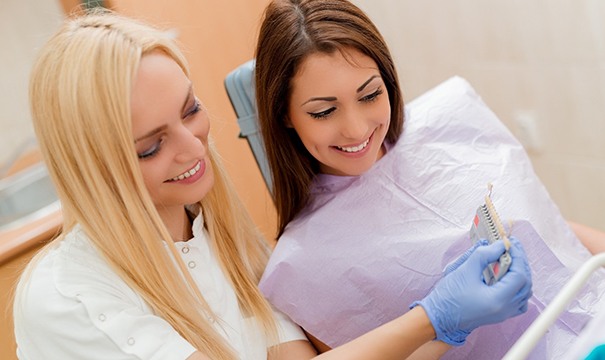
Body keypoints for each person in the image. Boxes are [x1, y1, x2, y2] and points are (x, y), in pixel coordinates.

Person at [12, 9, 531, 360]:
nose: (194, 149)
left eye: (191, 111)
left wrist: (455, 320)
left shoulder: (223, 237)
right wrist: (434, 317)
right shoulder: (66, 297)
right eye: (150, 146)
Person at [253, 0, 605, 359]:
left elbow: (552, 225)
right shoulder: (300, 266)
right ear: (284, 113)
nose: (356, 129)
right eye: (324, 111)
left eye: (370, 94)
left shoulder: (453, 117)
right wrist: (445, 323)